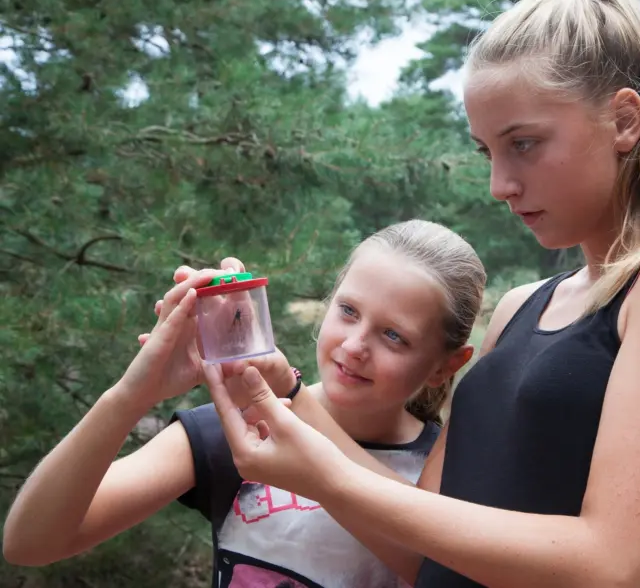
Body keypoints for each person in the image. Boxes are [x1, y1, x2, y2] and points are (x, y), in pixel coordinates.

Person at [199, 0, 640, 587]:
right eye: (487, 151)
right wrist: (285, 395)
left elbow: (615, 565)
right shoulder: (522, 307)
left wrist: (324, 475)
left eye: (523, 144)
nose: (500, 184)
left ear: (625, 121)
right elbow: (421, 547)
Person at [2, 220, 487, 588]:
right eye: (348, 311)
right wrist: (132, 394)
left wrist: (290, 396)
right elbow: (31, 543)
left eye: (394, 335)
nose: (355, 345)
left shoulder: (448, 475)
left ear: (447, 365)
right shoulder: (238, 430)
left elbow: (440, 571)